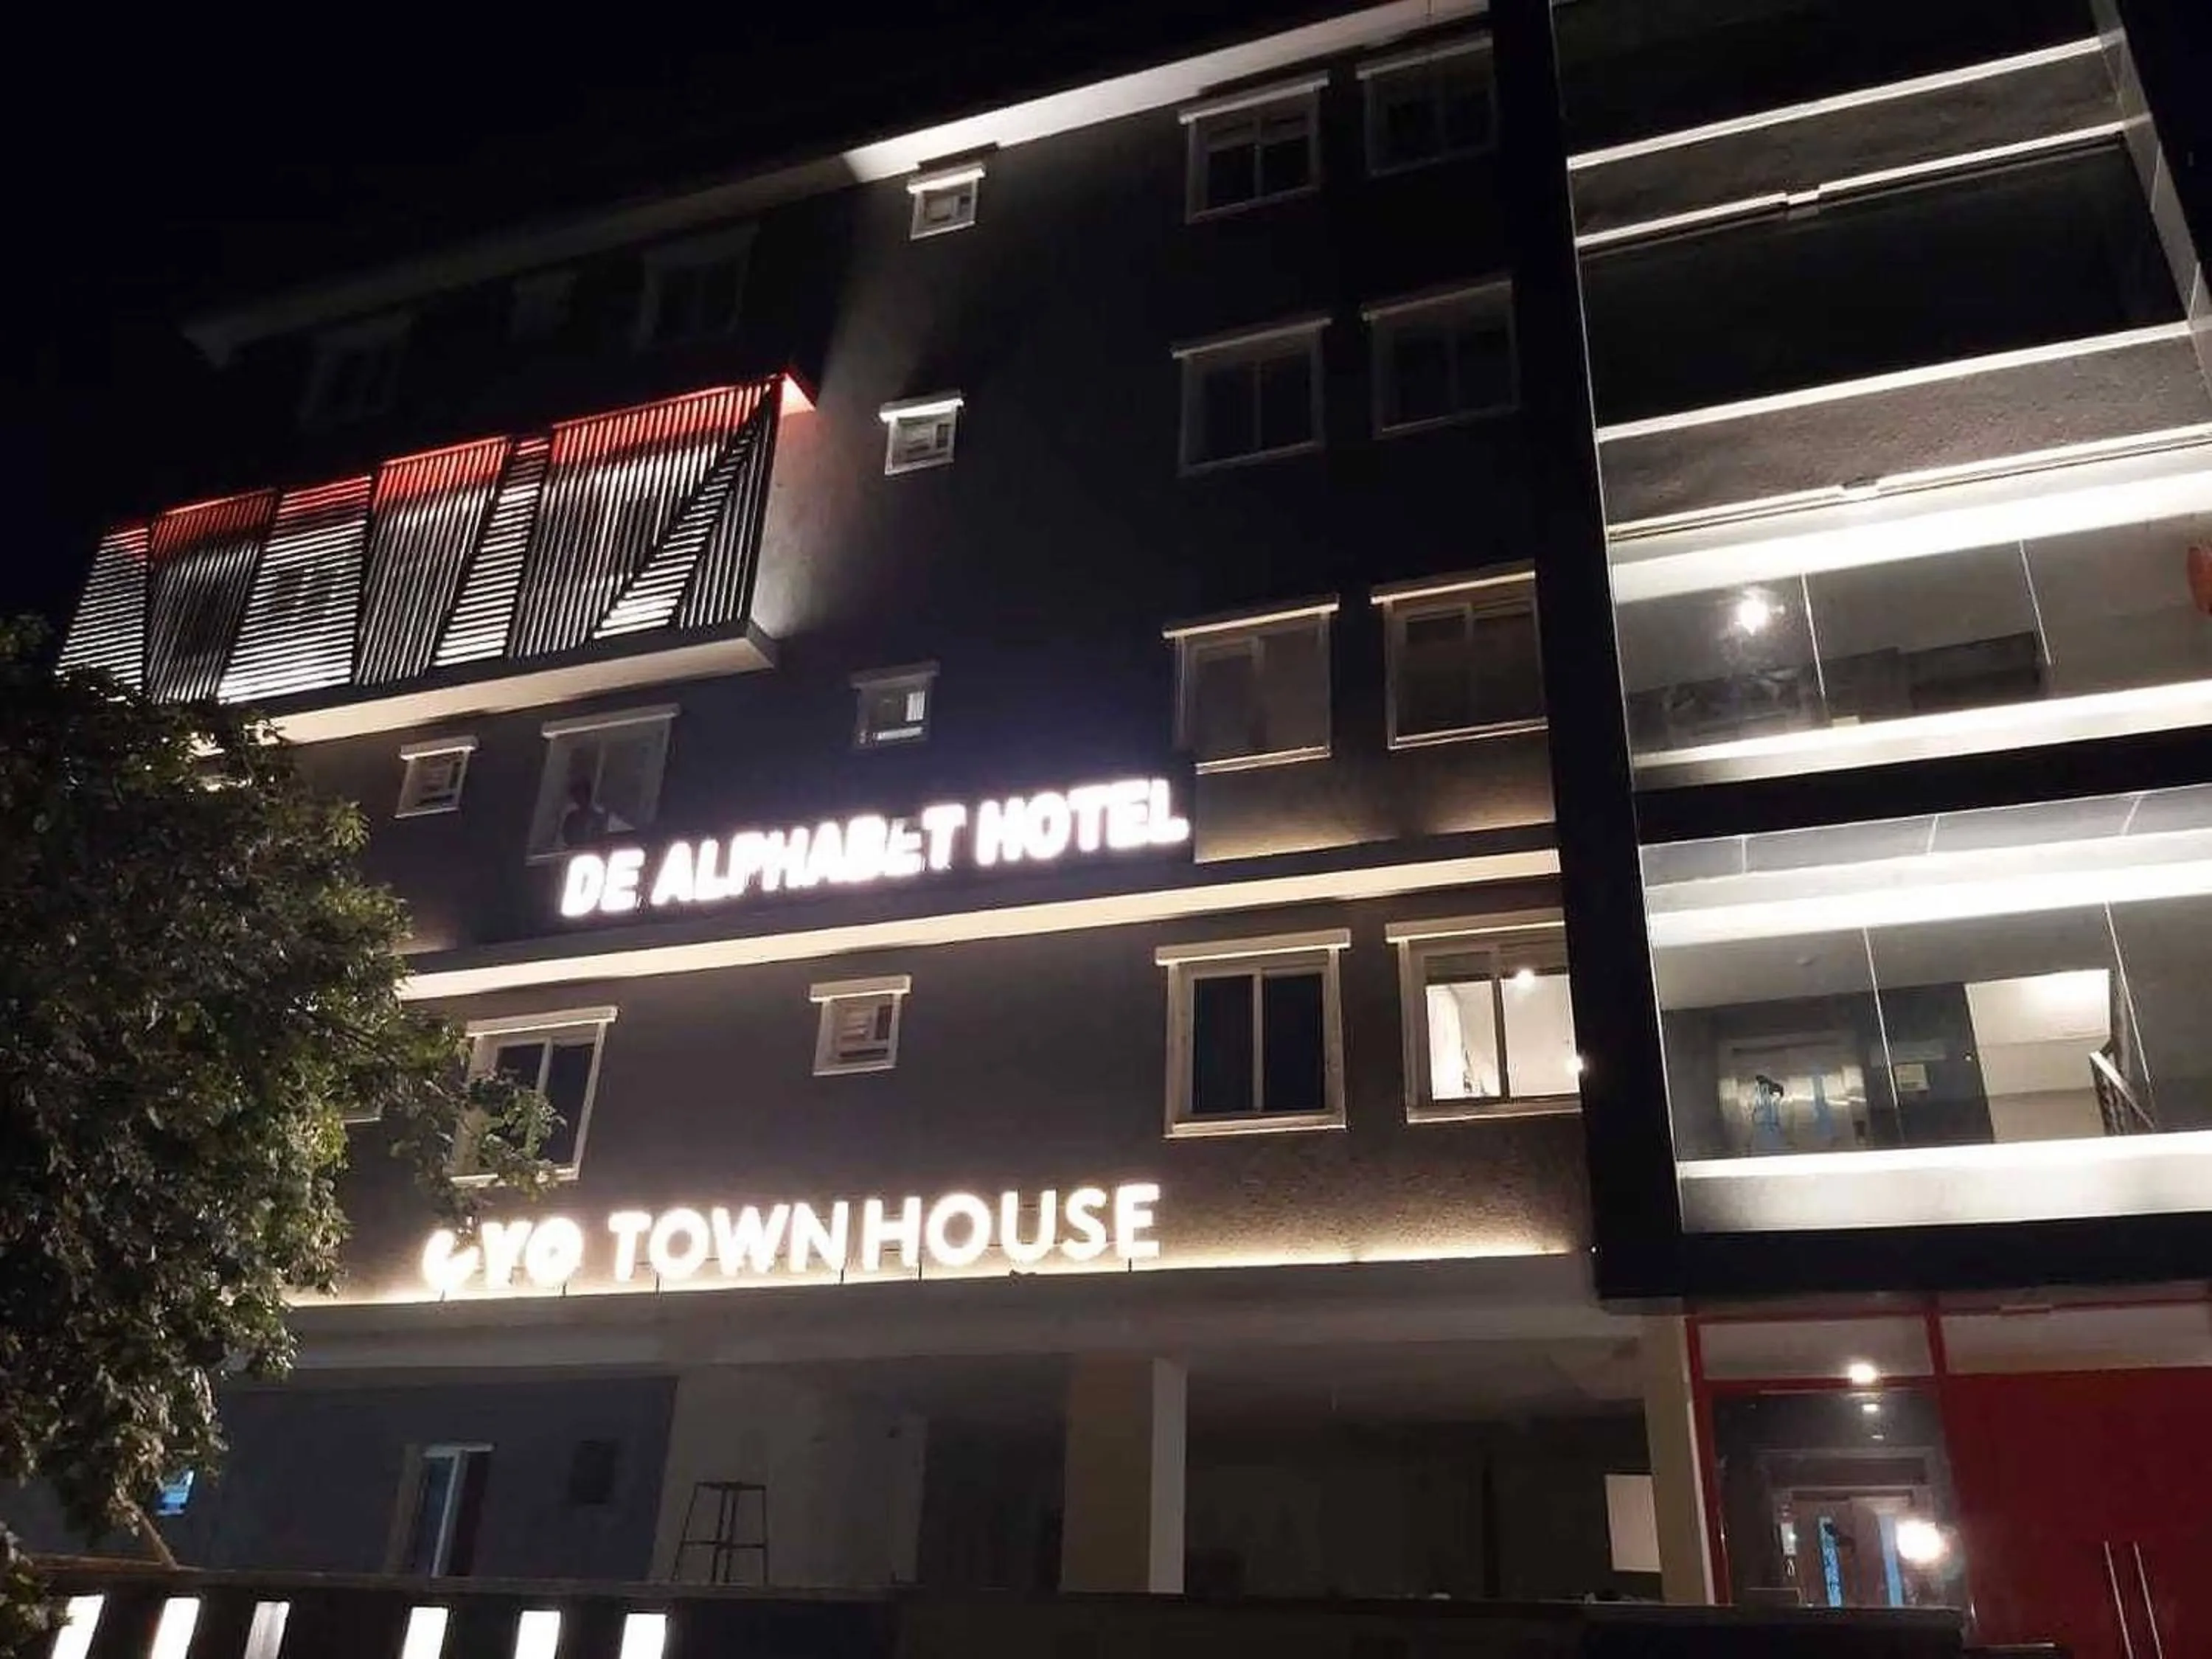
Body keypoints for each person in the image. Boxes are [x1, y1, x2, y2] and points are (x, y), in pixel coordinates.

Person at [557, 776, 626, 848]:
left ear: (588, 795)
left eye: (581, 794)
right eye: (576, 795)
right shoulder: (570, 818)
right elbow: (566, 838)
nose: (579, 798)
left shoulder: (600, 819)